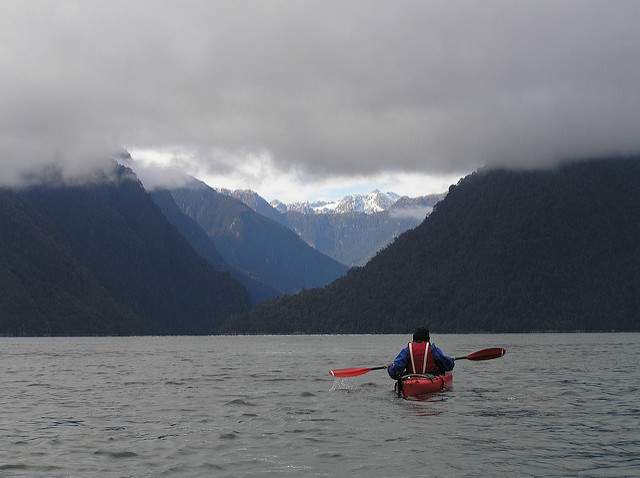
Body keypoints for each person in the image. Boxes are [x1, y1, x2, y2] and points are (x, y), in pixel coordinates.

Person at [385, 327, 454, 380]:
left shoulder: (407, 350)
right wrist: (450, 360)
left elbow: (395, 372)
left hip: (411, 381)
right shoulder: (433, 350)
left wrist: (390, 367)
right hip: (430, 380)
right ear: (428, 339)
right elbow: (449, 365)